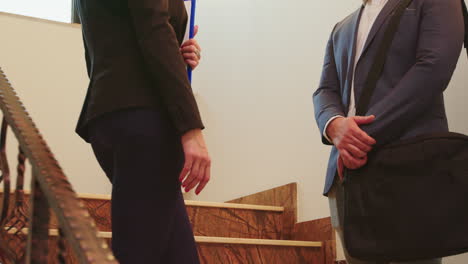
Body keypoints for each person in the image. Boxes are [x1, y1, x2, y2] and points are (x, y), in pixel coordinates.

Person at [313, 0, 464, 263]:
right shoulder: (341, 28)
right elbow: (325, 90)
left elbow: (433, 68)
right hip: (346, 180)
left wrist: (356, 139)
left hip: (409, 170)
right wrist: (334, 126)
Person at [74, 0, 211, 263]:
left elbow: (113, 42)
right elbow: (154, 28)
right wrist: (191, 128)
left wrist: (177, 56)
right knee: (139, 253)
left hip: (116, 114)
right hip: (143, 120)